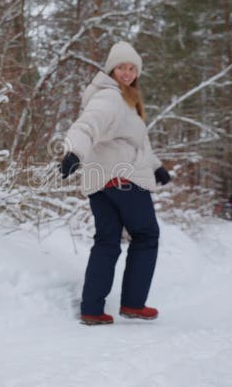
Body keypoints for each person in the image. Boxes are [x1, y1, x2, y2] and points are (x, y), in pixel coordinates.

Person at [59, 41, 170, 325]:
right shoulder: (110, 98)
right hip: (124, 179)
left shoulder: (126, 101)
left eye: (132, 68)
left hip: (101, 182)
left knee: (107, 242)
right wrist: (73, 151)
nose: (128, 72)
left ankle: (92, 309)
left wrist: (156, 167)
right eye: (122, 67)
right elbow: (86, 126)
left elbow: (136, 142)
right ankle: (133, 304)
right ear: (112, 69)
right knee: (146, 236)